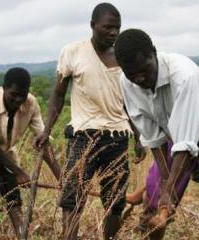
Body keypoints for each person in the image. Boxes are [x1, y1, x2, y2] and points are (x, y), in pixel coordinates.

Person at [114, 29, 199, 240]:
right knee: (153, 208)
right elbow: (155, 139)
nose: (139, 79)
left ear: (153, 53)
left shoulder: (183, 75)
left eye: (144, 70)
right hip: (175, 143)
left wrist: (169, 191)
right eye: (131, 74)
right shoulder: (127, 83)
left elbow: (186, 143)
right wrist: (164, 183)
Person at [35, 3, 145, 240]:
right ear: (93, 26)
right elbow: (58, 93)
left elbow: (129, 103)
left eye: (117, 28)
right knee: (72, 198)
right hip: (82, 137)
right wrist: (47, 129)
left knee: (114, 202)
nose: (113, 33)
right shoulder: (73, 52)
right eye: (108, 27)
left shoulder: (122, 58)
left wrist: (138, 136)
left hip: (117, 137)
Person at [0, 67, 60, 239]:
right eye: (14, 94)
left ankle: (22, 235)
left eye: (23, 94)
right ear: (3, 88)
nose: (18, 99)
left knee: (13, 196)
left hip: (4, 146)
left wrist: (61, 177)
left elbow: (43, 140)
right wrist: (19, 172)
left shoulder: (30, 103)